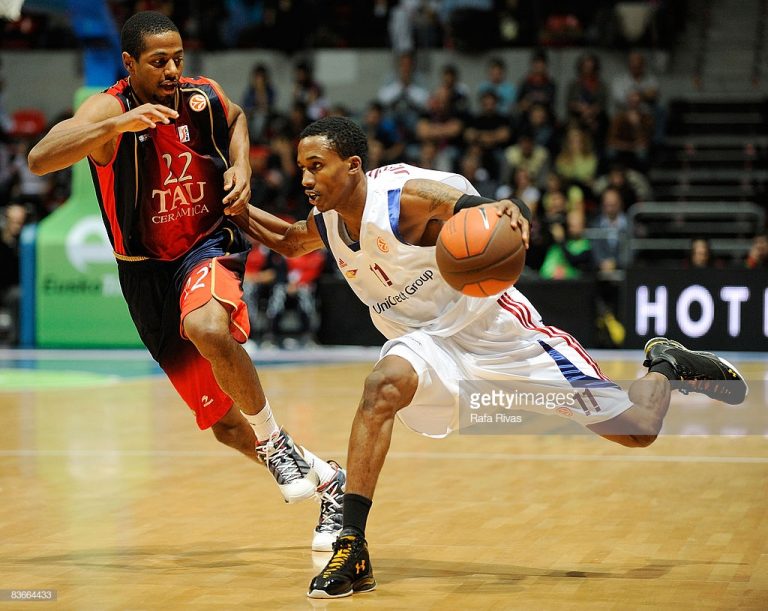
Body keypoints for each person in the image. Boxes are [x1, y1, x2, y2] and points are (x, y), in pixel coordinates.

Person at [234, 116, 748, 598]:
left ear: (352, 167)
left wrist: (508, 211)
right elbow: (286, 240)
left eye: (315, 166)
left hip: (497, 332)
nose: (305, 177)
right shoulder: (327, 220)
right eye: (302, 167)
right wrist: (227, 203)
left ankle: (665, 361)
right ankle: (353, 545)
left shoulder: (401, 199)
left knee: (638, 427)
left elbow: (476, 205)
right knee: (380, 388)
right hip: (426, 343)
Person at [26, 11, 344, 552]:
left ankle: (274, 443)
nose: (173, 69)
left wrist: (240, 167)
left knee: (207, 326)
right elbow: (39, 158)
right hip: (144, 273)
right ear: (129, 64)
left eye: (178, 57)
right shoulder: (111, 107)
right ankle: (325, 476)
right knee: (222, 425)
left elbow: (238, 117)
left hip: (205, 244)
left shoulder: (201, 96)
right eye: (158, 61)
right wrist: (112, 128)